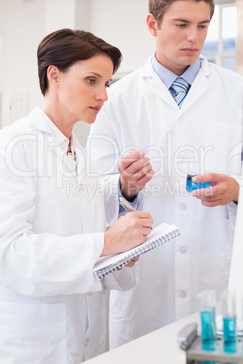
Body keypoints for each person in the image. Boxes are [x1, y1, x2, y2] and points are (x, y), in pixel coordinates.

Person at [88, 0, 243, 348]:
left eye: (202, 25)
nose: (193, 37)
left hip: (214, 277)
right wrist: (125, 186)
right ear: (153, 24)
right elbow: (92, 190)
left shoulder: (241, 94)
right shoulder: (116, 99)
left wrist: (237, 190)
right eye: (181, 24)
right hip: (146, 285)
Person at [0, 28, 153, 364]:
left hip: (87, 341)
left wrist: (122, 253)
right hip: (35, 345)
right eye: (91, 80)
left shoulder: (80, 156)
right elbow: (11, 254)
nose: (103, 95)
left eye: (106, 84)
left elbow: (85, 247)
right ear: (54, 75)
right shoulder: (14, 146)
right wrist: (107, 243)